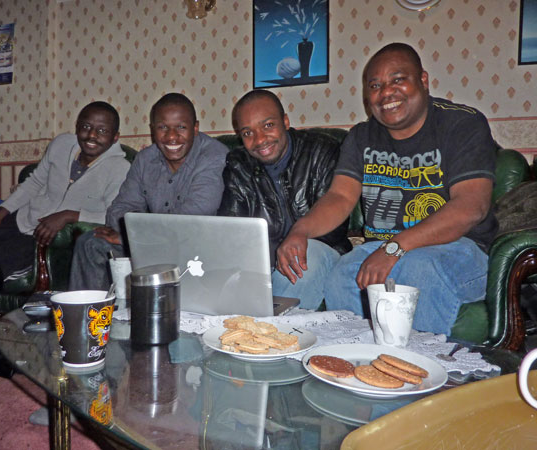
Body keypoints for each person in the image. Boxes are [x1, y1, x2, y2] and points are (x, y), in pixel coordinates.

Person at [276, 42, 498, 336]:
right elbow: (340, 197)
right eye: (375, 85)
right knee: (344, 274)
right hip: (384, 246)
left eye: (397, 80)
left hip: (460, 249)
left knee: (419, 269)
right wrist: (300, 231)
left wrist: (394, 247)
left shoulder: (462, 124)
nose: (386, 92)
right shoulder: (362, 136)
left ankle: (419, 370)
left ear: (423, 80)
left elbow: (471, 206)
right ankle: (356, 365)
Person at [0, 101, 131, 342]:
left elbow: (114, 213)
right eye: (86, 126)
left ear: (115, 137)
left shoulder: (121, 168)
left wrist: (70, 215)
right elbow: (35, 182)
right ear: (77, 126)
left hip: (42, 241)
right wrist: (1, 212)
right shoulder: (62, 144)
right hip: (20, 219)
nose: (91, 135)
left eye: (102, 131)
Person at [69, 93, 229, 291]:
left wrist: (133, 238)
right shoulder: (145, 159)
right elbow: (120, 208)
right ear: (153, 130)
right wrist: (135, 237)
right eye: (163, 127)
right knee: (91, 244)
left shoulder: (215, 156)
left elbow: (191, 219)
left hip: (198, 249)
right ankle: (92, 317)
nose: (171, 136)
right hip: (153, 243)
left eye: (181, 127)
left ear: (195, 128)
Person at [217, 90, 351, 309]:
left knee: (303, 255)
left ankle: (265, 332)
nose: (260, 139)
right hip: (262, 265)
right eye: (248, 133)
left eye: (268, 125)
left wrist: (288, 244)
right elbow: (232, 231)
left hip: (320, 253)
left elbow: (333, 230)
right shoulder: (239, 164)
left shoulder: (321, 151)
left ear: (285, 121)